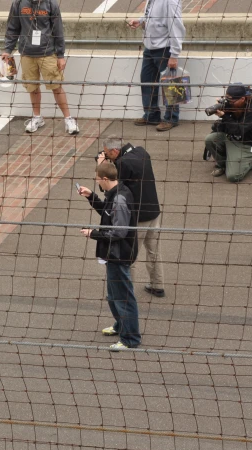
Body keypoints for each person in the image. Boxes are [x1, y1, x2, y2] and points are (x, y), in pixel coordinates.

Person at [77, 163, 141, 350]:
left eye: (97, 179)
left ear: (105, 179)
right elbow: (106, 211)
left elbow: (118, 232)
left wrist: (93, 233)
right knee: (114, 296)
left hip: (119, 254)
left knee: (123, 297)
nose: (96, 181)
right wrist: (92, 197)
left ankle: (130, 339)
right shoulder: (116, 194)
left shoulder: (120, 199)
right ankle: (121, 325)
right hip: (114, 254)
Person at [1, 0, 79, 135]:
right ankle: (37, 117)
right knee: (32, 87)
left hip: (48, 53)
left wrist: (60, 55)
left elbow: (58, 30)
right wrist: (8, 49)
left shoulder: (51, 4)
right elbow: (13, 27)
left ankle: (68, 118)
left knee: (56, 86)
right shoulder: (18, 3)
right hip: (26, 53)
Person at [99, 137, 164, 298]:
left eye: (107, 154)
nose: (107, 156)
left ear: (115, 151)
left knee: (129, 254)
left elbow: (112, 189)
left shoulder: (122, 164)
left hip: (138, 217)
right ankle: (157, 285)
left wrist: (102, 165)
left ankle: (125, 293)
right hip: (153, 211)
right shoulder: (142, 152)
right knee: (154, 251)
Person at [127, 0, 185, 131]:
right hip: (149, 47)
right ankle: (151, 115)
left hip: (165, 48)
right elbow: (151, 16)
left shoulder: (170, 1)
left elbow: (176, 25)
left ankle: (171, 118)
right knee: (147, 81)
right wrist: (141, 21)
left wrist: (174, 54)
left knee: (171, 84)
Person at [205, 84, 252, 183]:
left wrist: (225, 116)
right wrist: (224, 110)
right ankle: (222, 164)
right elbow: (224, 127)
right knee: (210, 139)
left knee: (233, 176)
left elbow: (240, 130)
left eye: (231, 101)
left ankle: (250, 160)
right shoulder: (232, 105)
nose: (229, 103)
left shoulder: (251, 109)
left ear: (242, 99)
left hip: (248, 144)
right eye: (227, 99)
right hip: (233, 138)